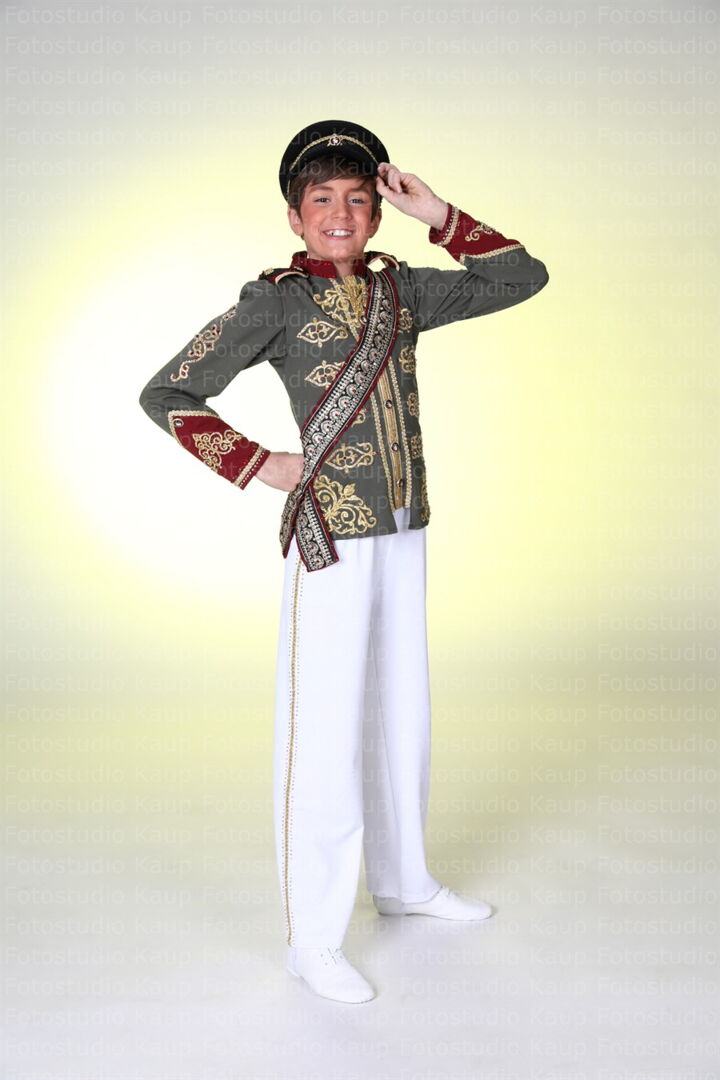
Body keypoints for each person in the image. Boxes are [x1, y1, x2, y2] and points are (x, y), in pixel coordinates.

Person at [139, 119, 549, 1004]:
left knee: (404, 713)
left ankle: (403, 883)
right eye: (321, 199)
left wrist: (439, 214)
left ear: (377, 213)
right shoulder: (275, 304)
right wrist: (256, 462)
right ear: (295, 217)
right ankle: (313, 938)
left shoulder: (406, 291)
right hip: (332, 531)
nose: (340, 214)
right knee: (323, 732)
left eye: (358, 199)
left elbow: (522, 277)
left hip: (404, 525)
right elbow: (166, 391)